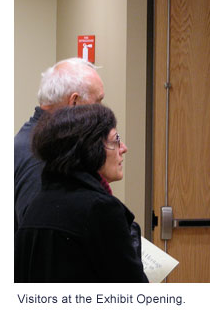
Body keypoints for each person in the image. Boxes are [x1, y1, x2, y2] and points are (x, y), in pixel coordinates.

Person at [14, 104, 148, 283]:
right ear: (92, 148)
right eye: (115, 140)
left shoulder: (37, 204)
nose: (123, 148)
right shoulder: (100, 209)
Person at [14, 58, 104, 232]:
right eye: (98, 102)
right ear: (75, 102)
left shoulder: (29, 139)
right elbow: (39, 234)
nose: (102, 112)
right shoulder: (42, 155)